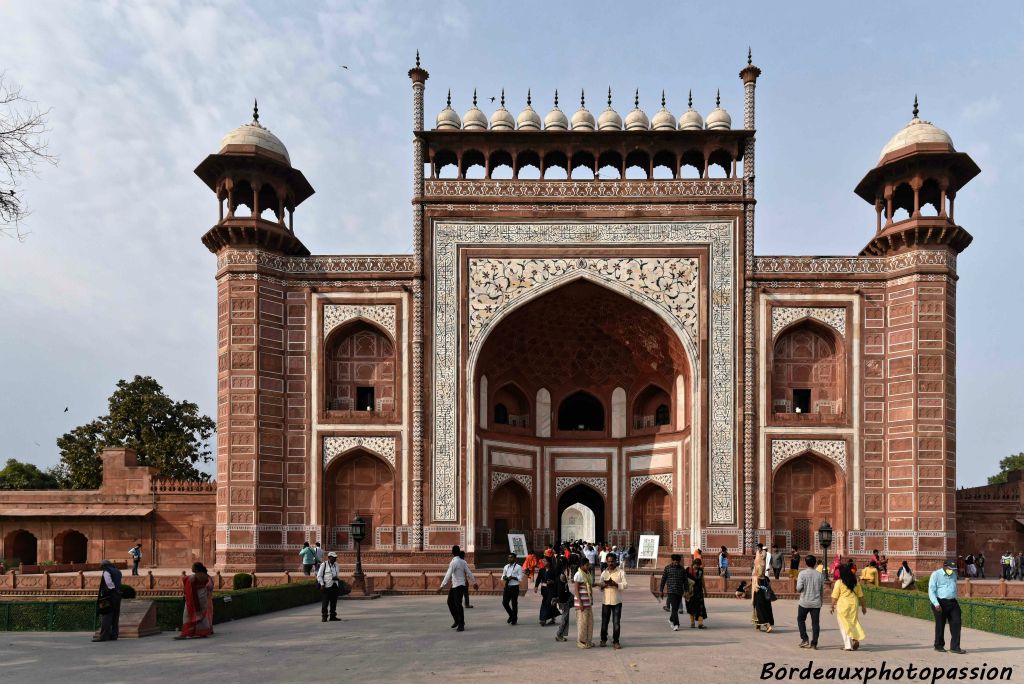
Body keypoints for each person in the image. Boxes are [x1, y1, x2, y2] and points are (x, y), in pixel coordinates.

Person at [929, 559, 966, 654]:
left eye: (954, 569)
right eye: (950, 568)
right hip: (940, 602)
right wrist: (936, 603)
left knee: (957, 623)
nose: (952, 570)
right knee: (940, 624)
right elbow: (931, 590)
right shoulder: (936, 575)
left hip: (953, 602)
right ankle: (938, 645)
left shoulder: (953, 574)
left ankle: (955, 647)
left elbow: (953, 587)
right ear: (944, 566)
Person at [438, 545, 477, 632]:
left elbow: (448, 574)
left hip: (457, 586)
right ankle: (457, 620)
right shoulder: (463, 562)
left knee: (457, 604)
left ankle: (461, 624)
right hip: (458, 585)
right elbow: (469, 572)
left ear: (452, 552)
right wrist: (474, 582)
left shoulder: (454, 562)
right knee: (451, 602)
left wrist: (441, 586)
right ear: (459, 552)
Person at [830, 562, 866, 651]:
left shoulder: (839, 582)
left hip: (843, 604)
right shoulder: (855, 582)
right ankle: (855, 638)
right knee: (853, 622)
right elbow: (861, 596)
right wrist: (863, 607)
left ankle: (848, 645)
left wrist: (832, 606)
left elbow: (834, 596)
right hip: (854, 603)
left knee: (843, 624)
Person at [177, 562, 214, 639]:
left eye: (192, 567)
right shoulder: (206, 576)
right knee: (202, 614)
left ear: (196, 568)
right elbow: (210, 586)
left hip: (194, 596)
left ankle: (187, 632)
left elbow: (188, 587)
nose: (191, 568)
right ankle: (203, 632)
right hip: (203, 596)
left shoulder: (192, 577)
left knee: (187, 615)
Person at [598, 552, 628, 649]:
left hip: (617, 601)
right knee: (604, 622)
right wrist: (603, 586)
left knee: (616, 623)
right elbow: (600, 586)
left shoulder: (620, 572)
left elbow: (625, 585)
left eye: (612, 561)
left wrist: (616, 584)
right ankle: (603, 639)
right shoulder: (604, 573)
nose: (610, 563)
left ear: (616, 561)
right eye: (608, 561)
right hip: (606, 601)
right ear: (606, 561)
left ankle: (616, 641)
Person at [796, 554, 823, 649]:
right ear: (815, 563)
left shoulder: (802, 574)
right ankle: (814, 643)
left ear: (805, 563)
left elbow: (798, 588)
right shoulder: (820, 575)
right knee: (815, 623)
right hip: (816, 602)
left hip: (804, 602)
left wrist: (803, 588)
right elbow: (821, 590)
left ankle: (804, 639)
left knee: (800, 620)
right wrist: (821, 602)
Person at [93, 559, 122, 642]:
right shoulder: (118, 571)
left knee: (106, 615)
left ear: (104, 565)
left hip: (107, 597)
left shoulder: (107, 571)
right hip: (117, 596)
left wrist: (112, 590)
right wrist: (116, 591)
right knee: (115, 616)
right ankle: (114, 635)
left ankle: (104, 637)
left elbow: (109, 584)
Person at [659, 554, 689, 631]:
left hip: (679, 591)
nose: (676, 563)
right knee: (675, 608)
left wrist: (686, 591)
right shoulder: (667, 568)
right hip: (671, 591)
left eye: (678, 561)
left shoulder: (682, 569)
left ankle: (671, 619)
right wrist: (661, 590)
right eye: (675, 561)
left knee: (675, 608)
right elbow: (663, 580)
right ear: (672, 561)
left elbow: (685, 581)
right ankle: (676, 624)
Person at [572, 557, 595, 649]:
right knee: (582, 623)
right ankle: (581, 641)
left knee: (589, 622)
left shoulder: (587, 574)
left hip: (588, 602)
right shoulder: (578, 574)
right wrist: (580, 603)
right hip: (581, 603)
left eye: (588, 564)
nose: (588, 566)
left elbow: (589, 585)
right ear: (581, 566)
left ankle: (588, 640)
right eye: (586, 565)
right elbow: (576, 590)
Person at [317, 551, 342, 622]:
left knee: (333, 602)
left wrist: (336, 578)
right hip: (326, 586)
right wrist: (322, 584)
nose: (334, 559)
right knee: (325, 602)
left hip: (334, 585)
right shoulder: (324, 564)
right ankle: (324, 616)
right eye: (333, 557)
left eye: (335, 557)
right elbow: (319, 576)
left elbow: (336, 574)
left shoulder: (336, 564)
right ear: (329, 557)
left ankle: (332, 616)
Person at [554, 557, 574, 642]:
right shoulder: (562, 575)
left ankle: (560, 634)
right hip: (564, 599)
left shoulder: (557, 573)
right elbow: (563, 589)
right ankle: (559, 634)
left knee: (564, 617)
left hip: (562, 598)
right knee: (565, 618)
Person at [534, 556, 558, 626]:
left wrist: (552, 582)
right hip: (544, 589)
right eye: (543, 561)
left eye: (545, 561)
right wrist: (536, 586)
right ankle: (553, 618)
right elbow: (538, 579)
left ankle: (543, 619)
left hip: (552, 589)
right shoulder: (541, 570)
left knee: (546, 603)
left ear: (549, 562)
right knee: (549, 603)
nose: (543, 562)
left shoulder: (554, 570)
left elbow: (557, 580)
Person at [500, 553, 523, 625]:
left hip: (515, 587)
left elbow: (520, 578)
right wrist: (505, 578)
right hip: (507, 586)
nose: (510, 559)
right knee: (504, 603)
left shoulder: (518, 567)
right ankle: (511, 615)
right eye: (509, 557)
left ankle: (514, 619)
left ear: (515, 559)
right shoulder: (506, 567)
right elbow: (503, 576)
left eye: (511, 557)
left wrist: (512, 577)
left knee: (514, 603)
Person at [686, 557, 708, 629]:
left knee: (700, 607)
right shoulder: (688, 570)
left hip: (699, 592)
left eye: (699, 565)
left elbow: (702, 580)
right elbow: (684, 581)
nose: (697, 566)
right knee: (690, 607)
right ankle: (692, 623)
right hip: (690, 592)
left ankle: (700, 624)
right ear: (693, 564)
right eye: (696, 564)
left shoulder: (700, 571)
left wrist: (705, 590)